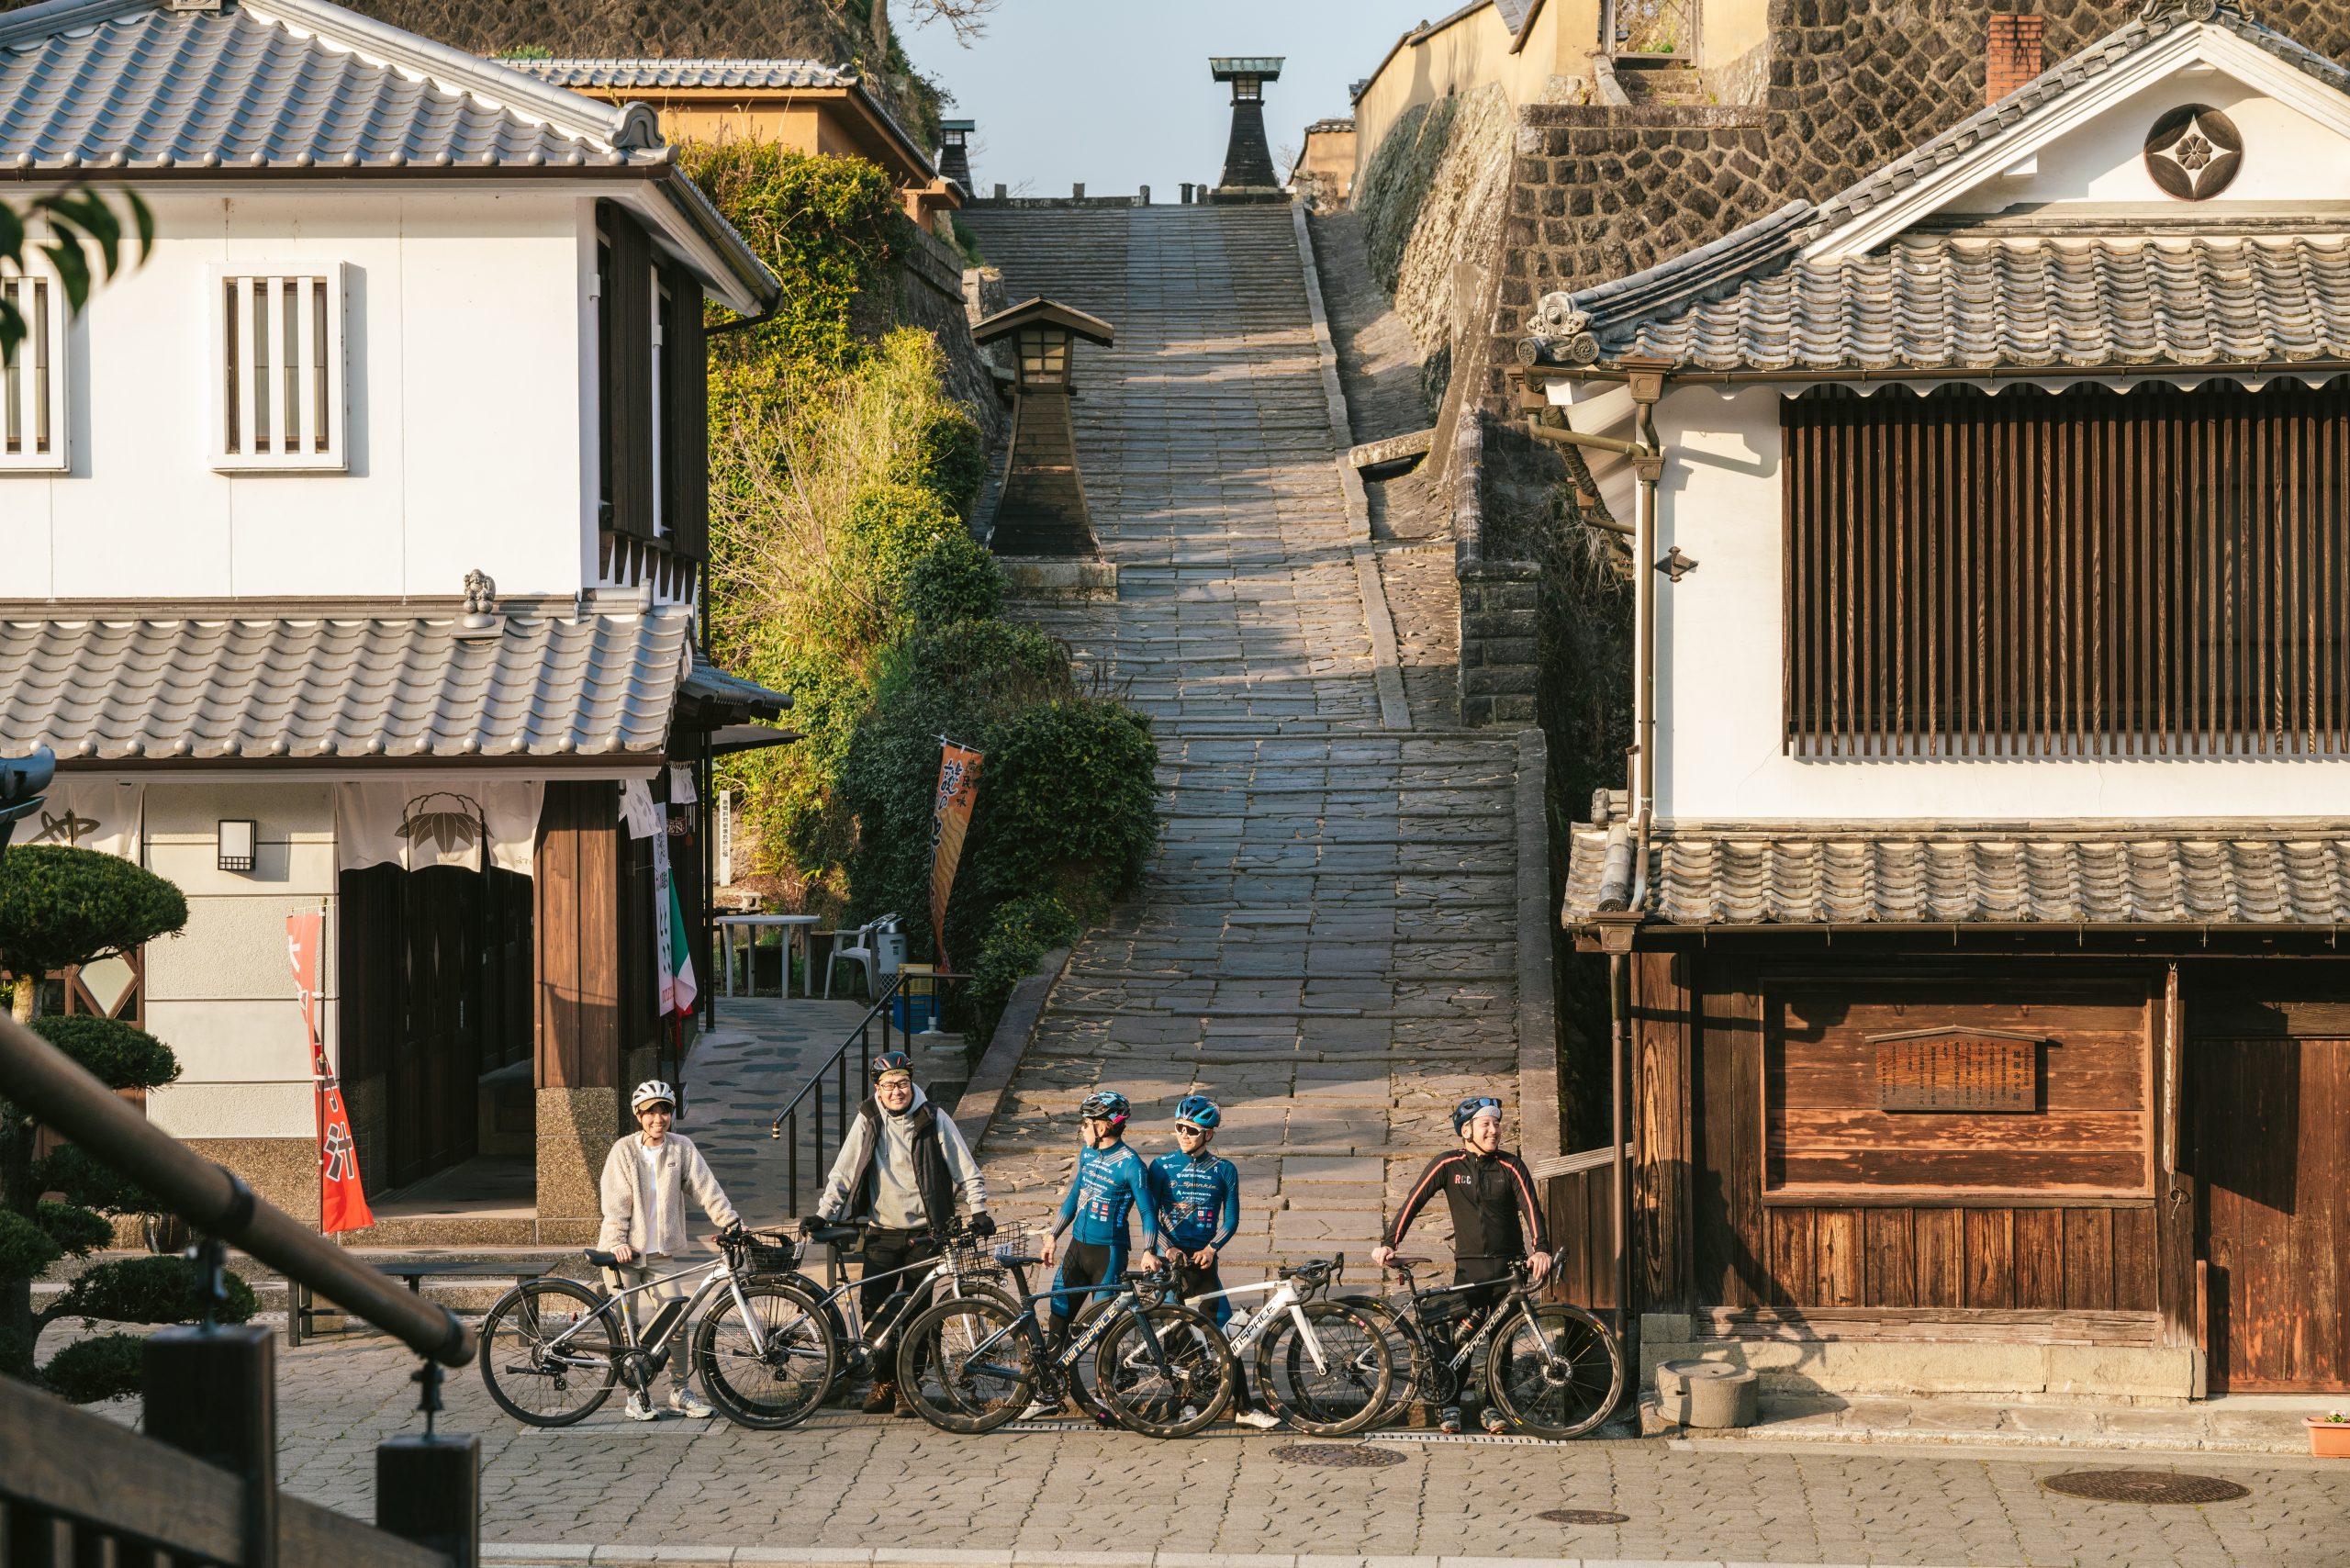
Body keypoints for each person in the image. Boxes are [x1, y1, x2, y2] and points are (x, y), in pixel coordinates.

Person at [812, 1049, 991, 1416]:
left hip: (926, 1234)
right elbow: (843, 1171)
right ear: (878, 1090)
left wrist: (979, 1209)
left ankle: (910, 1388)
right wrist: (823, 1213)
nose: (897, 1091)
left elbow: (965, 1168)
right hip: (880, 1231)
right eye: (889, 1085)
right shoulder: (868, 1119)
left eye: (903, 1083)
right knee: (875, 1312)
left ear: (912, 1084)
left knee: (917, 1314)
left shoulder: (933, 1117)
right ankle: (884, 1383)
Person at [1371, 1095, 1551, 1435]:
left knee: (1503, 1341)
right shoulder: (1448, 1165)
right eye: (1486, 1124)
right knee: (1461, 1339)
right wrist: (1389, 1242)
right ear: (1466, 1130)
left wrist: (1540, 1249)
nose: (1494, 1130)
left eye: (1497, 1123)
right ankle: (1450, 1403)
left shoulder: (1512, 1166)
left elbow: (1532, 1209)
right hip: (1470, 1269)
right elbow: (1414, 1199)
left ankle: (1494, 1407)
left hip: (1508, 1268)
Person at [599, 1079, 743, 1421]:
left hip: (661, 1255)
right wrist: (618, 1241)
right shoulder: (624, 1150)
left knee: (676, 1322)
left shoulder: (681, 1148)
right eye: (650, 1112)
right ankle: (635, 1395)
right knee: (627, 1326)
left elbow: (706, 1188)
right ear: (638, 1115)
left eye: (664, 1111)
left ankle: (680, 1392)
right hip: (623, 1256)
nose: (657, 1119)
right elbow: (615, 1202)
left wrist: (731, 1223)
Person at [1147, 1094, 1281, 1431]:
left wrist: (1213, 1248)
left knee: (1225, 1334)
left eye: (1191, 1130)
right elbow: (1150, 1216)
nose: (1182, 1134)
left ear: (1208, 1134)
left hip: (1205, 1263)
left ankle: (1243, 1408)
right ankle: (1183, 1404)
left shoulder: (1225, 1171)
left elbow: (1232, 1219)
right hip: (1173, 1262)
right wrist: (1167, 1248)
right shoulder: (1161, 1166)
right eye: (1178, 1127)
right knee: (1176, 1335)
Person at [1027, 1089, 1159, 1418]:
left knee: (1105, 1330)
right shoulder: (1087, 1155)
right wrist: (1052, 1236)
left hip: (1109, 1253)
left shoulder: (1131, 1165)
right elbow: (1075, 1196)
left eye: (1086, 1123)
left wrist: (1149, 1250)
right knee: (1058, 1317)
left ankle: (1107, 1397)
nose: (1082, 1129)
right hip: (1077, 1248)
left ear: (1103, 1127)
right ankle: (1047, 1395)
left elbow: (1147, 1212)